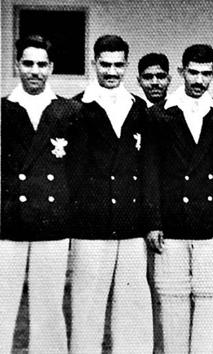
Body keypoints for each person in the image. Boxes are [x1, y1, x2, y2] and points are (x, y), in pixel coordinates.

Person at [144, 43, 213, 354]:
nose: (198, 80)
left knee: (211, 297)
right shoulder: (159, 114)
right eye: (192, 72)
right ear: (181, 72)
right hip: (172, 223)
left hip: (211, 224)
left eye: (206, 74)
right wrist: (153, 222)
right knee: (172, 298)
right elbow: (150, 171)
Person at [69, 34, 153, 354]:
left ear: (126, 66)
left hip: (131, 226)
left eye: (119, 65)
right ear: (94, 64)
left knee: (132, 311)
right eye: (105, 65)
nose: (112, 72)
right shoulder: (76, 108)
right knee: (87, 311)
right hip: (90, 228)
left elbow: (146, 167)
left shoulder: (138, 107)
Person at [0, 34, 81, 354]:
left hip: (52, 224)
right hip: (9, 225)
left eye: (42, 64)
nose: (35, 71)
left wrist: (64, 211)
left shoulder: (68, 111)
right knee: (2, 307)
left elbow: (75, 171)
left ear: (51, 68)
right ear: (17, 64)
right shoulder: (3, 111)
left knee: (48, 310)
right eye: (28, 63)